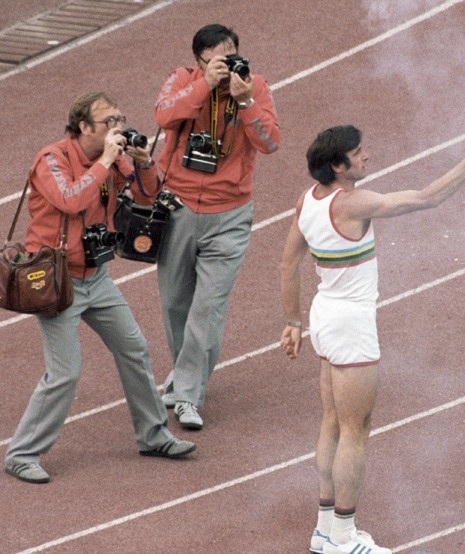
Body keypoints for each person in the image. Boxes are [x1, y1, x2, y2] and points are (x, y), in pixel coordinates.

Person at [280, 125, 465, 554]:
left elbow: (289, 263)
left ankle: (325, 530)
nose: (366, 157)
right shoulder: (354, 203)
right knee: (355, 430)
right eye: (358, 153)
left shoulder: (308, 200)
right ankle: (343, 536)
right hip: (351, 324)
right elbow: (427, 198)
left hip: (325, 315)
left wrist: (292, 321)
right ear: (338, 165)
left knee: (332, 422)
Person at [4, 91, 196, 485]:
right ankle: (22, 454)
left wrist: (143, 163)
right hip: (57, 282)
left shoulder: (114, 157)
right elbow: (70, 200)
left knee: (134, 348)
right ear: (83, 127)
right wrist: (105, 162)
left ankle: (153, 435)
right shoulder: (51, 159)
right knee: (65, 372)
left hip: (96, 276)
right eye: (108, 121)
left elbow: (148, 194)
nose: (117, 127)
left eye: (119, 119)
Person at [154, 23, 281, 430]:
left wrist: (245, 103)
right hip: (177, 208)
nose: (225, 69)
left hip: (229, 214)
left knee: (207, 309)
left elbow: (270, 142)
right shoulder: (182, 80)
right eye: (215, 63)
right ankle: (185, 375)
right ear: (199, 62)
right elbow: (164, 115)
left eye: (230, 58)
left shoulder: (254, 87)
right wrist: (204, 86)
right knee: (176, 305)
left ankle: (188, 395)